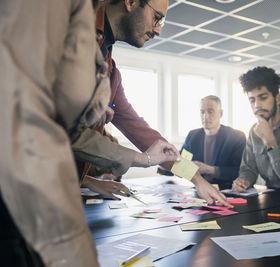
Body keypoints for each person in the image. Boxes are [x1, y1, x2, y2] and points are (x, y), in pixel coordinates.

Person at [80, 0, 230, 205]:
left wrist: (197, 179)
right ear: (131, 2)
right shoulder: (71, 33)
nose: (158, 30)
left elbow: (145, 135)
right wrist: (144, 159)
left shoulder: (111, 72)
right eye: (157, 17)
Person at [0, 0, 107, 265]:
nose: (159, 30)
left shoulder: (90, 17)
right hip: (18, 199)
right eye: (158, 17)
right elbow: (22, 116)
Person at [180, 95, 246, 190]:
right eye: (202, 112)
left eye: (210, 112)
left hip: (227, 190)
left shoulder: (236, 137)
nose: (205, 116)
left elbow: (239, 172)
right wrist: (165, 161)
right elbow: (180, 160)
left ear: (220, 113)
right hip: (199, 190)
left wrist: (209, 169)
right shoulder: (192, 135)